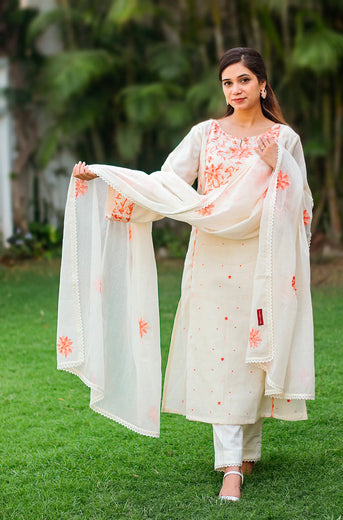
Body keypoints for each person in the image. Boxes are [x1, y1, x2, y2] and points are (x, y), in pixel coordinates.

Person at [60, 47, 314, 502]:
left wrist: (279, 163)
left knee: (253, 353)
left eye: (243, 81)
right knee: (221, 360)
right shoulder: (206, 134)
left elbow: (301, 204)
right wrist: (104, 179)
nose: (235, 90)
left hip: (261, 262)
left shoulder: (283, 139)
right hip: (211, 262)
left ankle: (248, 450)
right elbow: (168, 183)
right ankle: (231, 468)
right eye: (227, 83)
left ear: (263, 84)